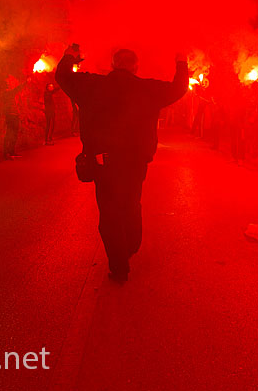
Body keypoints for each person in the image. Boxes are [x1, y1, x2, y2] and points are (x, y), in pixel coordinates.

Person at [56, 44, 188, 282]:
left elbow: (63, 76)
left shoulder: (92, 86)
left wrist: (69, 56)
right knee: (131, 203)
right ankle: (131, 246)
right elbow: (179, 88)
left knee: (109, 214)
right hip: (136, 162)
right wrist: (181, 62)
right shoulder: (148, 89)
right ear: (136, 67)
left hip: (103, 163)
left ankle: (119, 266)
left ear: (113, 65)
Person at [1, 75, 27, 159]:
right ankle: (7, 153)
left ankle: (11, 152)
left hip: (14, 115)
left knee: (13, 134)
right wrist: (25, 82)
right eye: (7, 83)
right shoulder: (6, 93)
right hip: (11, 116)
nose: (9, 84)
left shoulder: (8, 93)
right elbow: (16, 90)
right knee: (10, 134)